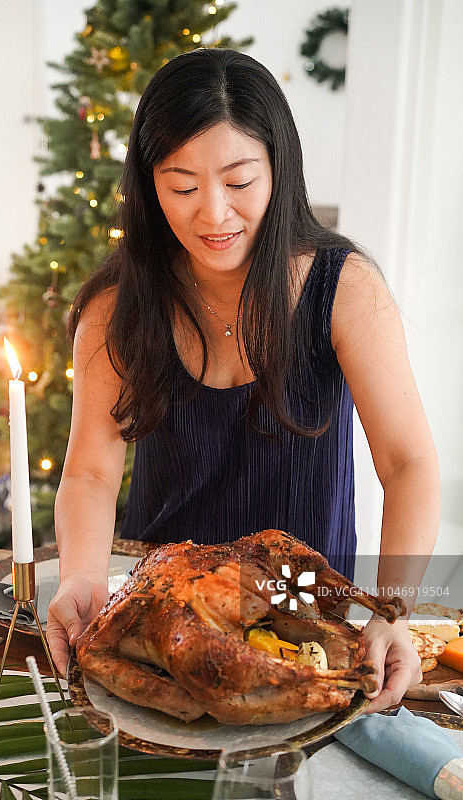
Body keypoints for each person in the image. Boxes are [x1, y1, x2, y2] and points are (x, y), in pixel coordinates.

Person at [47, 48, 440, 712]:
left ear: (277, 171)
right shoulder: (118, 306)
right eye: (181, 186)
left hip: (303, 608)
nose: (213, 215)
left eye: (238, 181)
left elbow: (407, 463)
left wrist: (392, 608)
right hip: (158, 605)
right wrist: (80, 577)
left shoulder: (340, 290)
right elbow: (89, 470)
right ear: (148, 186)